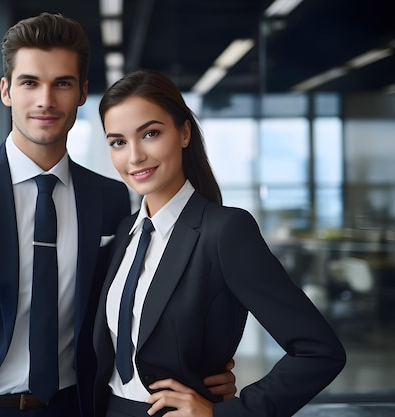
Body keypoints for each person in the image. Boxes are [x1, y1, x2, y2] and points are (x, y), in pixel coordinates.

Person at [0, 14, 236, 417]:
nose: (45, 101)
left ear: (83, 92)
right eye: (29, 82)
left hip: (73, 408)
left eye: (62, 84)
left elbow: (137, 310)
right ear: (6, 91)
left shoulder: (111, 199)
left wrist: (204, 369)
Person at [92, 69, 347, 417]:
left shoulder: (225, 231)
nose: (134, 156)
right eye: (118, 142)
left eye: (150, 133)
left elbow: (319, 350)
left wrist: (227, 413)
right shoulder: (125, 232)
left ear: (183, 133)